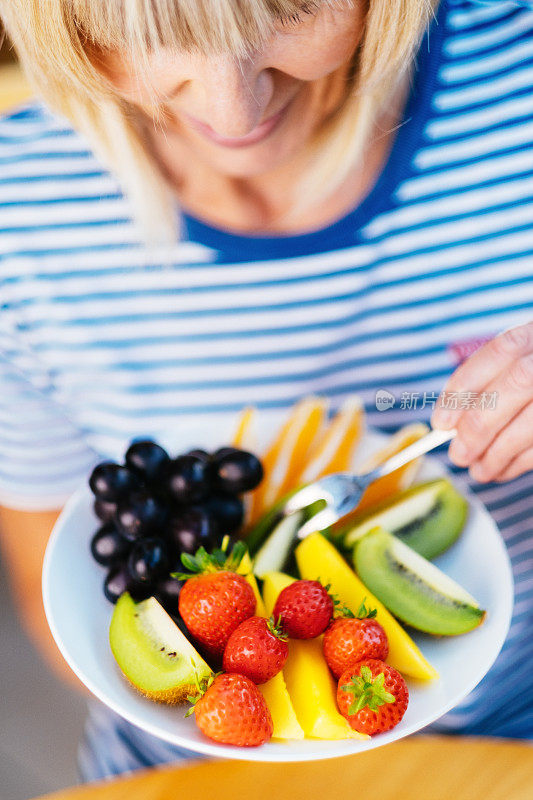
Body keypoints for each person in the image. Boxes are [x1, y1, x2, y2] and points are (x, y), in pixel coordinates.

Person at [0, 0, 532, 782]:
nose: (231, 109)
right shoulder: (20, 217)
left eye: (291, 7)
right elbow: (62, 587)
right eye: (150, 36)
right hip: (193, 764)